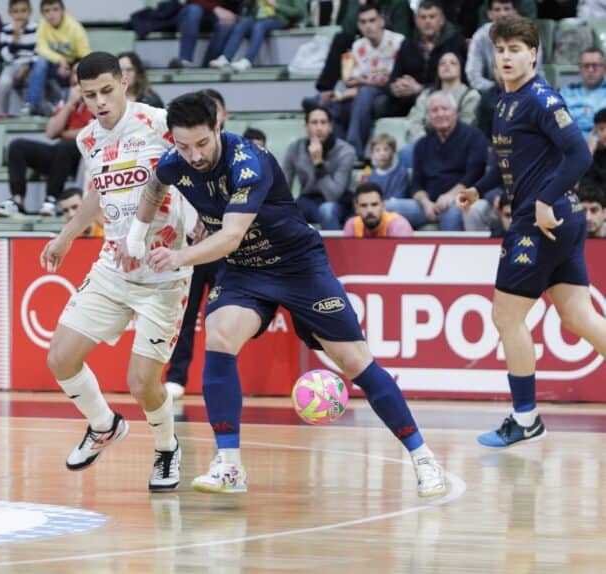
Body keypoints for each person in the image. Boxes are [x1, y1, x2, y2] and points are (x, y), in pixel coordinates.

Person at [127, 92, 446, 496]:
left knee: (355, 361)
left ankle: (423, 457)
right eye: (184, 146)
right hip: (245, 270)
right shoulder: (176, 161)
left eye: (202, 144)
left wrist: (177, 257)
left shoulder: (249, 162)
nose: (194, 155)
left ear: (219, 127)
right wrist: (136, 234)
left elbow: (230, 236)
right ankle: (229, 466)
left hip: (298, 266)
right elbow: (155, 185)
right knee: (219, 336)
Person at [39, 52, 191, 491]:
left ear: (124, 82)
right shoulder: (88, 139)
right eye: (90, 95)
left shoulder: (159, 123)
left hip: (163, 270)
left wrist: (200, 223)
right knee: (60, 358)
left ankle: (166, 448)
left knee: (142, 384)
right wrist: (66, 236)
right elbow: (96, 194)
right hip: (113, 266)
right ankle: (104, 425)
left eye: (107, 91)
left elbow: (196, 169)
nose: (100, 102)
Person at [457, 15, 606, 448]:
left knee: (506, 317)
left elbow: (579, 156)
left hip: (542, 220)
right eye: (500, 49)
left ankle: (526, 420)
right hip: (559, 218)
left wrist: (544, 199)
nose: (506, 57)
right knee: (578, 316)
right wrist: (478, 189)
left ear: (534, 54)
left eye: (515, 49)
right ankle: (525, 418)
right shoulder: (504, 101)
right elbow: (508, 166)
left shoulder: (541, 98)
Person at [163, 88, 228, 401]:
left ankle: (222, 379)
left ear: (219, 119)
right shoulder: (179, 158)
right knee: (184, 315)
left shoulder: (234, 155)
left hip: (225, 246)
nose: (195, 152)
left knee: (224, 316)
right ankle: (176, 376)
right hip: (190, 244)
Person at [0, 63, 94, 217]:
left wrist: (63, 133)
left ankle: (51, 200)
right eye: (74, 73)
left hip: (84, 157)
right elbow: (51, 132)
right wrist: (70, 104)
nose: (76, 78)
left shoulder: (97, 101)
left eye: (81, 73)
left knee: (65, 146)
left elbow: (91, 133)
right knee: (18, 146)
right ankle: (17, 201)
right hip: (61, 155)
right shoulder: (67, 99)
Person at [330, 4, 404, 160]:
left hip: (391, 94)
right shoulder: (358, 45)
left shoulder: (397, 41)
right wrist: (357, 85)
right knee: (334, 104)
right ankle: (339, 154)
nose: (368, 26)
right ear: (358, 25)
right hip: (365, 92)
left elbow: (390, 78)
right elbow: (353, 79)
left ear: (381, 21)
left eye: (372, 20)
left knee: (364, 93)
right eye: (363, 22)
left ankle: (354, 150)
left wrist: (364, 80)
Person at [410, 91, 488, 231]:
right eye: (434, 110)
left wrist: (450, 196)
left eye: (445, 109)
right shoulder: (422, 144)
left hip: (465, 197)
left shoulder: (474, 137)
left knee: (449, 214)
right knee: (390, 208)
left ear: (456, 113)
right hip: (429, 203)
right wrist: (426, 203)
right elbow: (416, 184)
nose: (440, 114)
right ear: (428, 116)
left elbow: (473, 176)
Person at [386, 1, 466, 118]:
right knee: (381, 103)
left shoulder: (455, 42)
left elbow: (460, 80)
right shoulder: (407, 43)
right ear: (416, 21)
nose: (427, 21)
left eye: (432, 17)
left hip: (444, 97)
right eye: (423, 17)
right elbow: (394, 76)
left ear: (441, 20)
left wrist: (421, 89)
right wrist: (396, 87)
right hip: (408, 97)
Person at [283, 103, 356, 230]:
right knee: (284, 211)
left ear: (330, 127)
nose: (319, 127)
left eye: (323, 122)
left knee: (326, 210)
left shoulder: (345, 151)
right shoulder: (295, 148)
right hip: (307, 200)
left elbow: (333, 195)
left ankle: (331, 244)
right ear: (306, 127)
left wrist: (318, 163)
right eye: (314, 123)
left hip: (337, 202)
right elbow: (283, 186)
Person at [404, 50, 480, 145]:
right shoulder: (426, 94)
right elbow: (415, 121)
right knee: (406, 151)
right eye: (442, 63)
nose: (447, 65)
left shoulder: (470, 95)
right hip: (424, 142)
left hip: (456, 144)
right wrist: (425, 143)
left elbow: (466, 125)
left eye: (453, 63)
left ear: (461, 69)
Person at [31, 0, 91, 116]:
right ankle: (33, 105)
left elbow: (84, 54)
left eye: (55, 9)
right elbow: (41, 48)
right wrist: (60, 60)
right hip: (54, 63)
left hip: (72, 64)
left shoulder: (74, 27)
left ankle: (60, 107)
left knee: (79, 72)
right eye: (47, 11)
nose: (51, 14)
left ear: (63, 11)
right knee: (40, 63)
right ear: (42, 14)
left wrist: (72, 69)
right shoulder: (43, 24)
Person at [209, 0, 305, 71]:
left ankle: (247, 60)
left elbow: (299, 12)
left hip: (280, 19)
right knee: (242, 24)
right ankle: (226, 58)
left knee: (259, 26)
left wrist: (277, 5)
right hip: (257, 18)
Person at [0, 0, 39, 117]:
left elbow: (39, 52)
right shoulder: (5, 30)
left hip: (31, 65)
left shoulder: (37, 28)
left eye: (23, 11)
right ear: (10, 13)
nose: (19, 15)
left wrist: (28, 66)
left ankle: (32, 111)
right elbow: (6, 57)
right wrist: (15, 38)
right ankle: (1, 114)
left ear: (30, 12)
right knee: (4, 82)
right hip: (12, 65)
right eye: (16, 11)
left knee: (35, 79)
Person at [169, 0, 243, 69]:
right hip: (192, 13)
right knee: (194, 10)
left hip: (218, 15)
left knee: (226, 24)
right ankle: (184, 61)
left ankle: (209, 65)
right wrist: (215, 8)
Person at [560, 48, 606, 140]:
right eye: (586, 66)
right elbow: (558, 121)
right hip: (568, 143)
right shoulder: (566, 93)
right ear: (580, 69)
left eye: (595, 65)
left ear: (604, 68)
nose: (590, 70)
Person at [343, 182, 414, 238]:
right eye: (363, 205)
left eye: (374, 204)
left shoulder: (398, 225)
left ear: (383, 206)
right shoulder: (352, 225)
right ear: (356, 208)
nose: (369, 210)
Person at [362, 133, 410, 201]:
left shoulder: (401, 173)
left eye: (386, 149)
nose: (382, 154)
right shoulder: (369, 173)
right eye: (377, 150)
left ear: (393, 152)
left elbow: (398, 198)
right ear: (372, 154)